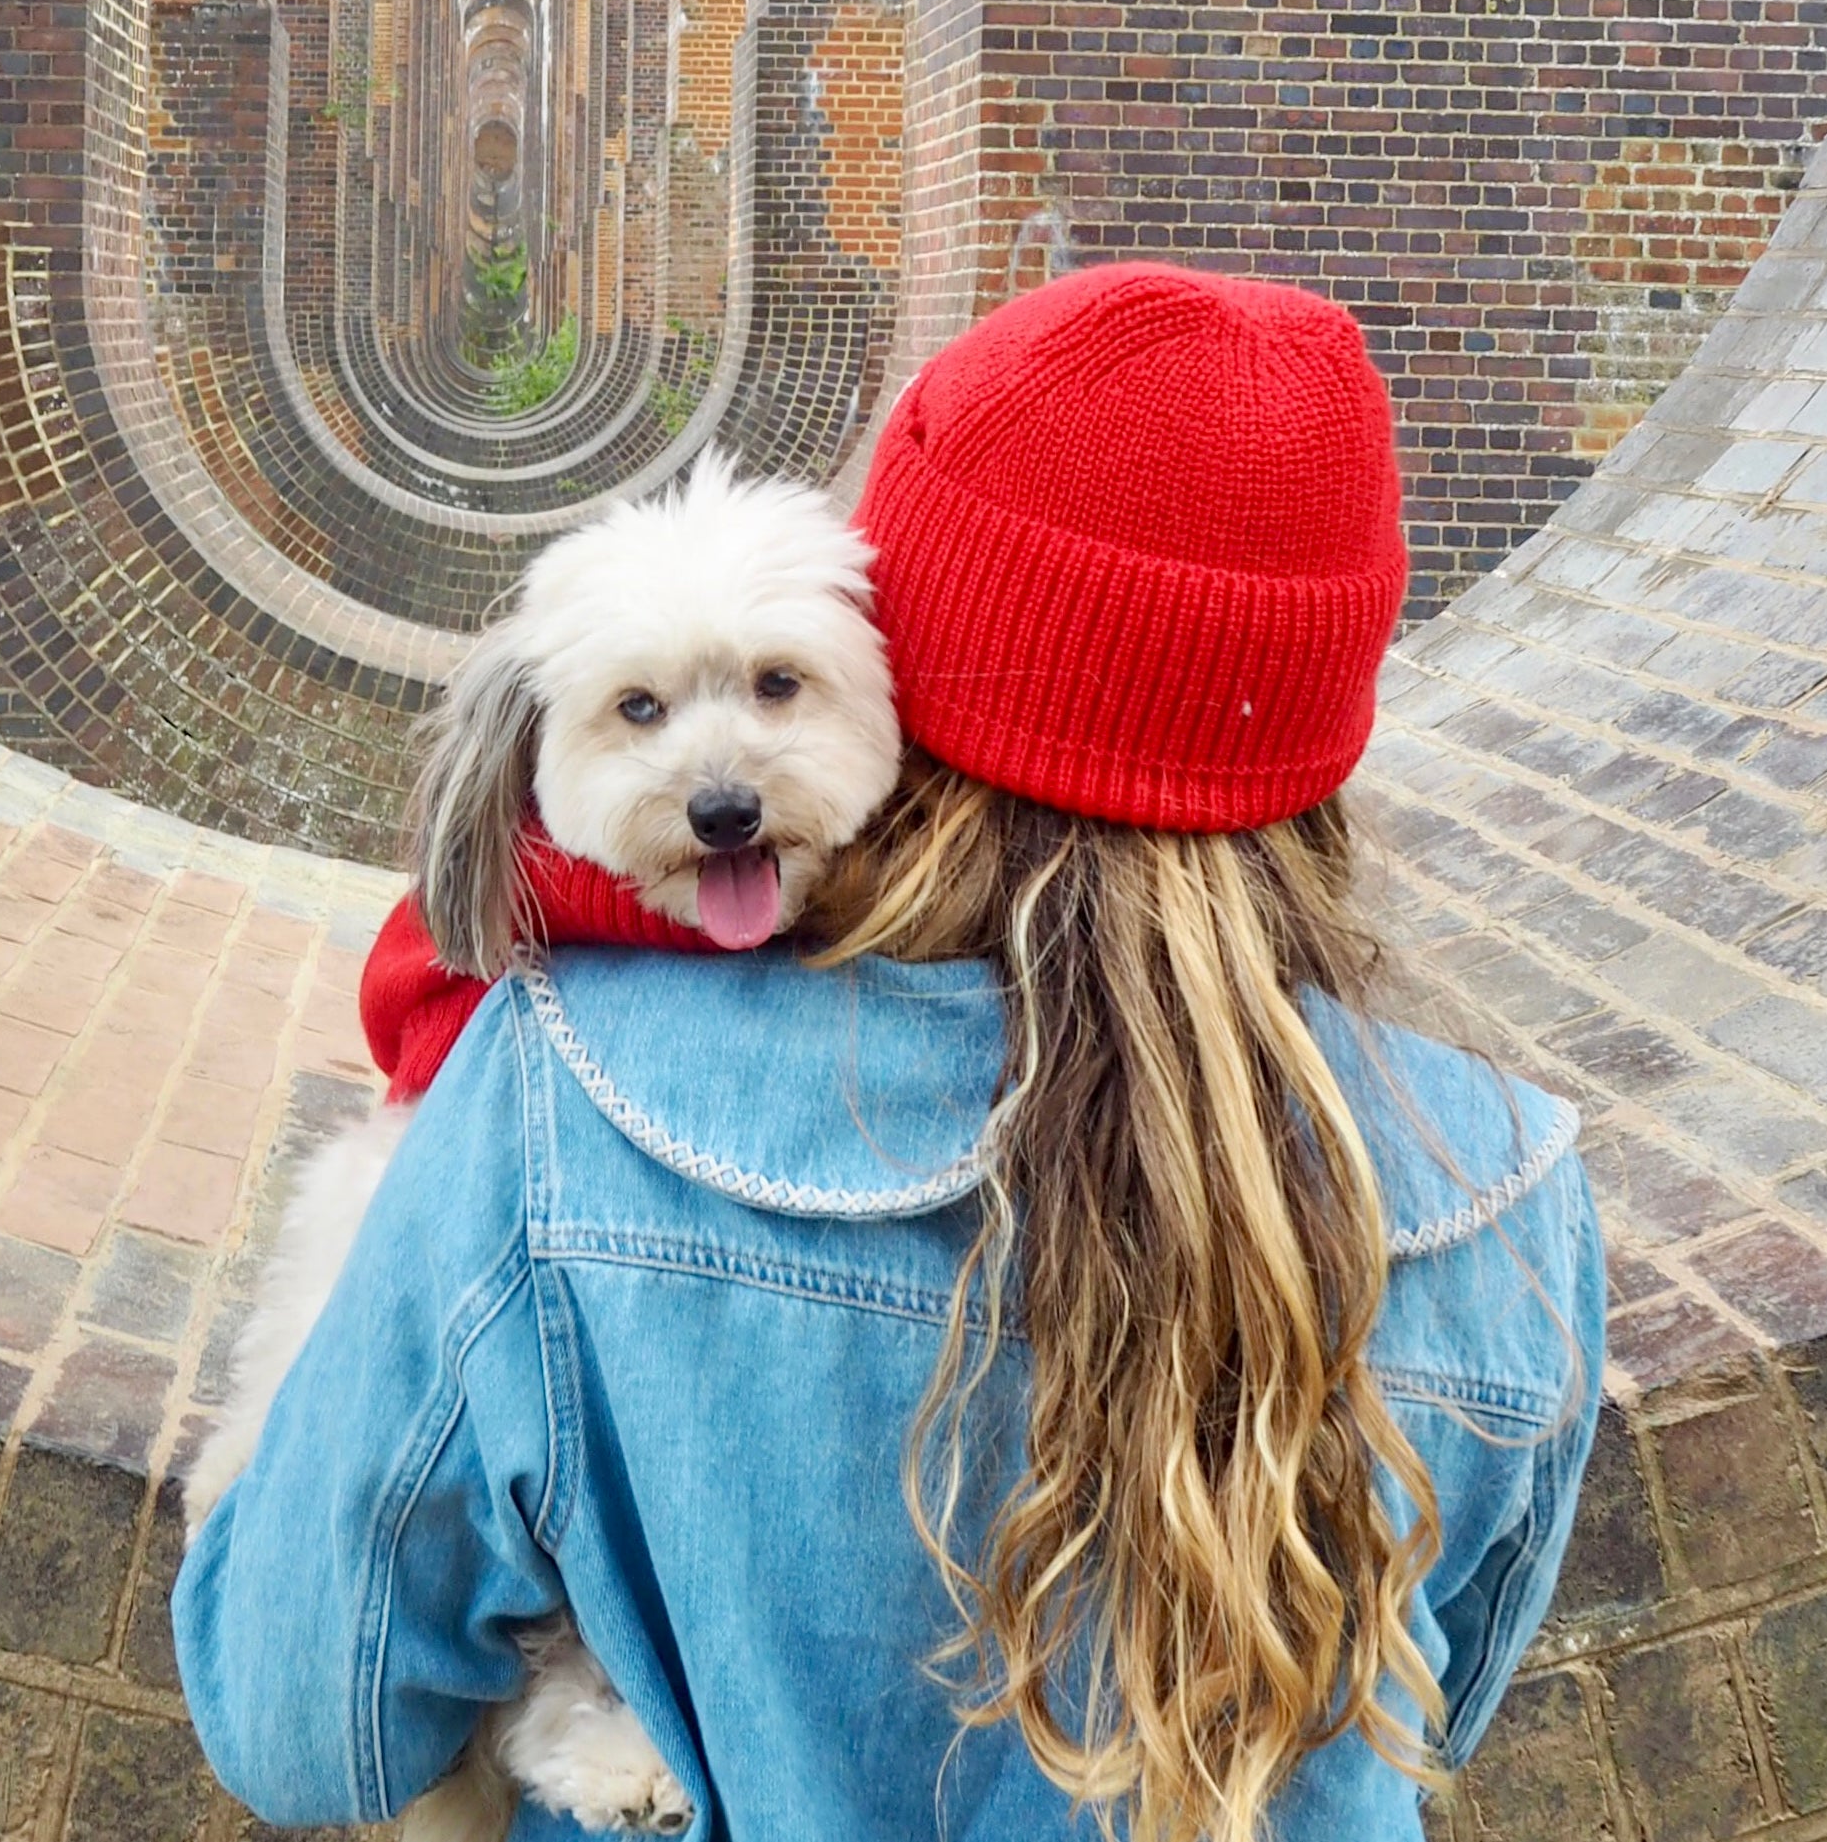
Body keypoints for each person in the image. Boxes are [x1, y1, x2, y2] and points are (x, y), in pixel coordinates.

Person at [174, 262, 1605, 1842]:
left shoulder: (544, 1095)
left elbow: (298, 1719)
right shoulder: (1507, 1186)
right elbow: (1430, 1704)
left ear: (919, 651)